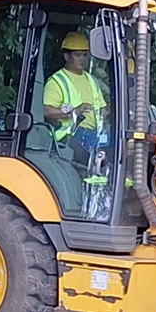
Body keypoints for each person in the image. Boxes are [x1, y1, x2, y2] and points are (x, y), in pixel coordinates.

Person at [40, 29, 112, 218]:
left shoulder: (91, 80)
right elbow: (46, 111)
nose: (82, 59)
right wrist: (73, 111)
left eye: (85, 55)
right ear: (66, 55)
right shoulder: (57, 81)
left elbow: (102, 107)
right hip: (68, 138)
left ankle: (103, 206)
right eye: (78, 55)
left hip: (94, 135)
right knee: (92, 165)